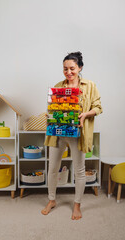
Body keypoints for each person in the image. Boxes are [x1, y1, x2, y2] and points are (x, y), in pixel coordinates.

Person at [41, 51, 103, 220]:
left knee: (79, 170)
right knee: (52, 168)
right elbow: (53, 108)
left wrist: (85, 115)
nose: (68, 72)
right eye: (65, 69)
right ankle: (52, 200)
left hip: (78, 134)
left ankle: (77, 205)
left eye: (72, 68)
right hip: (58, 134)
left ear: (80, 67)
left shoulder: (89, 85)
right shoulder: (58, 87)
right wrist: (51, 115)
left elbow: (98, 107)